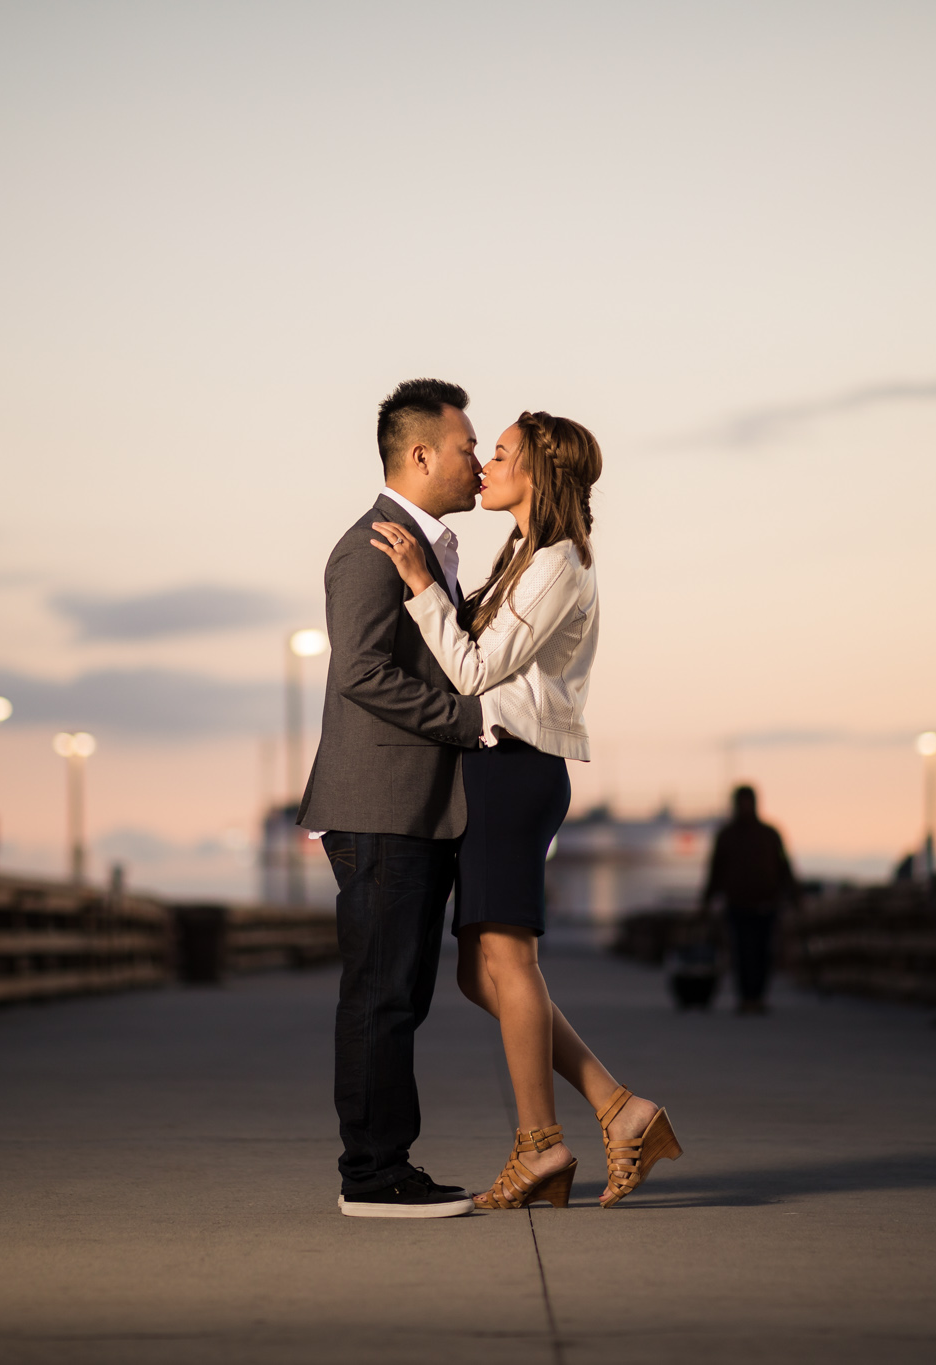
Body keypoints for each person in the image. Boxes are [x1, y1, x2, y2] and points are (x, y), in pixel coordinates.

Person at [371, 409, 683, 1212]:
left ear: (537, 473)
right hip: (498, 770)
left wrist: (416, 589)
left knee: (509, 965)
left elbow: (474, 671)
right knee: (484, 973)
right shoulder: (523, 559)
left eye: (498, 453)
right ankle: (621, 1108)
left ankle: (542, 1144)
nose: (483, 465)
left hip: (515, 771)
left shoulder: (557, 566)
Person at [300, 378, 485, 1219]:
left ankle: (383, 1165)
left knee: (399, 992)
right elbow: (363, 674)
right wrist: (469, 721)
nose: (477, 461)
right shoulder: (369, 548)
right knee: (381, 993)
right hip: (380, 808)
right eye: (465, 446)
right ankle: (373, 1174)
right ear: (420, 454)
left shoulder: (424, 546)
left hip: (410, 807)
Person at [699, 785, 799, 1015]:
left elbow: (784, 866)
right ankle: (745, 998)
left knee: (764, 953)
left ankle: (759, 997)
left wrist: (794, 894)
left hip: (766, 903)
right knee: (742, 953)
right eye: (741, 802)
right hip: (738, 905)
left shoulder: (770, 834)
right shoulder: (726, 836)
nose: (745, 806)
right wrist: (706, 901)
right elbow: (715, 872)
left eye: (748, 801)